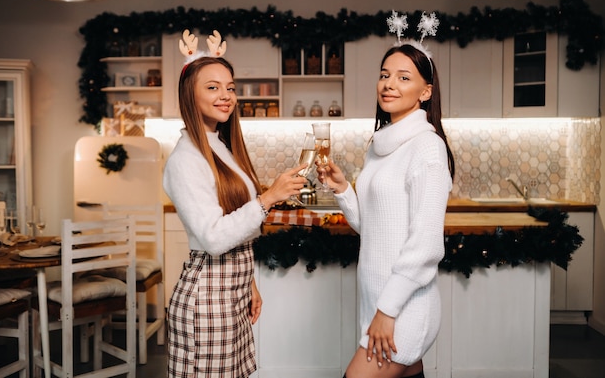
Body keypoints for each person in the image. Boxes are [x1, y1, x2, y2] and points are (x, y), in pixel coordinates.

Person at [163, 51, 307, 377]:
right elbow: (213, 238)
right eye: (213, 88)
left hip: (231, 295)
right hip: (207, 302)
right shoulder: (185, 159)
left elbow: (235, 225)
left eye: (230, 87)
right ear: (190, 94)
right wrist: (268, 198)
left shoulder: (220, 145)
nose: (226, 96)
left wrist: (250, 284)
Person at [318, 43, 455, 378]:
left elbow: (425, 245)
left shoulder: (427, 149)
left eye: (403, 77)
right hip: (380, 304)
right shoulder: (380, 146)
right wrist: (343, 189)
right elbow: (374, 226)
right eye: (384, 75)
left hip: (402, 309)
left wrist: (387, 310)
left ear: (426, 91)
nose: (389, 84)